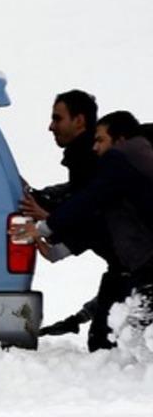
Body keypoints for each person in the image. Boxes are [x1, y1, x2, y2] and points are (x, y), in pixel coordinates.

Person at [14, 111, 153, 349]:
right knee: (128, 334)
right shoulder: (140, 164)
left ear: (119, 140)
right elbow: (100, 221)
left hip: (148, 268)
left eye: (100, 140)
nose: (95, 148)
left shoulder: (121, 158)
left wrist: (44, 228)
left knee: (130, 338)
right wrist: (61, 249)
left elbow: (89, 200)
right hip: (143, 268)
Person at [18, 90, 108, 340]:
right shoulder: (85, 159)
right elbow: (76, 197)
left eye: (57, 119)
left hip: (138, 267)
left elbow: (99, 218)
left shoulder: (91, 159)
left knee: (107, 343)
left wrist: (50, 222)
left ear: (79, 121)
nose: (50, 126)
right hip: (129, 269)